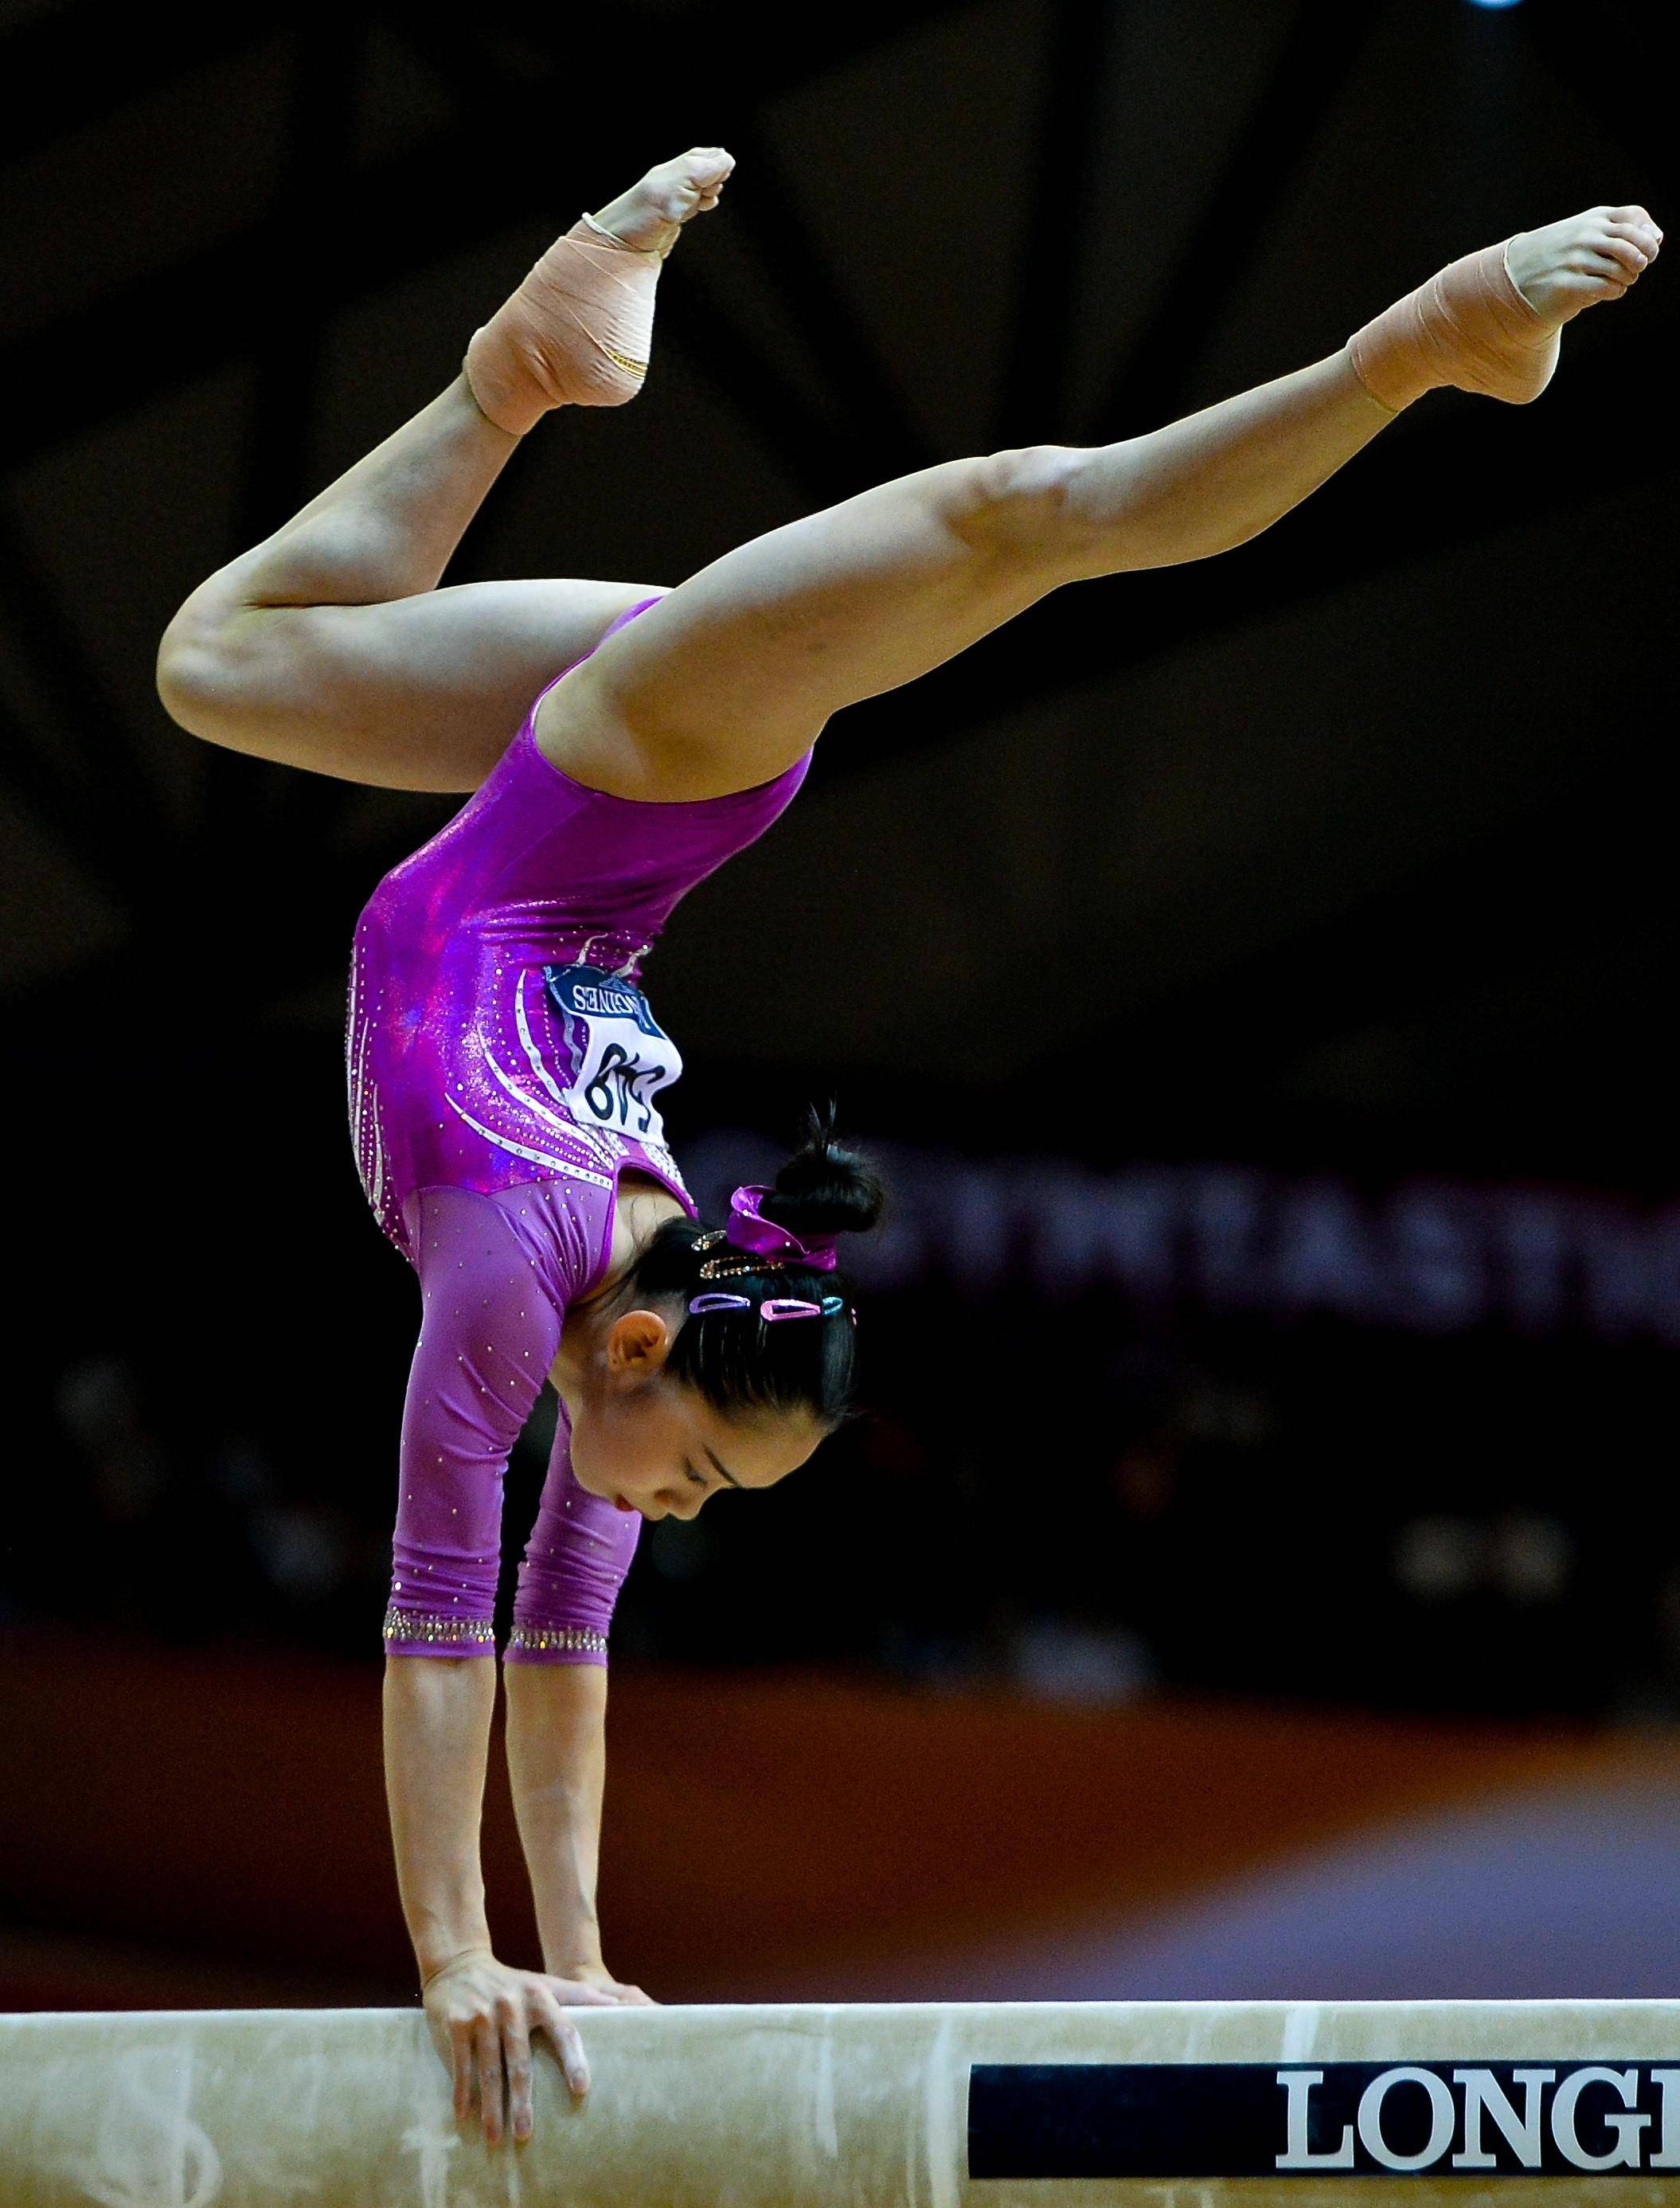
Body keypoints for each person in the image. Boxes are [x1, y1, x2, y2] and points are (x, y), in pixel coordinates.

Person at [154, 147, 1659, 2147]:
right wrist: (475, 1953)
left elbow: (483, 1629)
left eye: (698, 1480)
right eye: (705, 1475)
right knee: (1018, 515)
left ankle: (533, 367)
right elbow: (498, 1635)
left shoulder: (531, 1291)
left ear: (633, 1354)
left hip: (590, 782)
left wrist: (530, 1956)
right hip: (642, 762)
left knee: (225, 660)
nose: (677, 1504)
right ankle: (1419, 345)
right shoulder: (606, 1314)